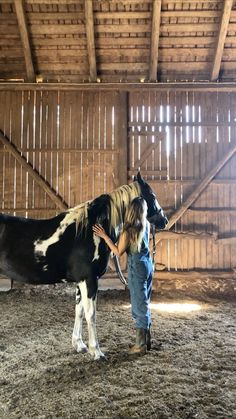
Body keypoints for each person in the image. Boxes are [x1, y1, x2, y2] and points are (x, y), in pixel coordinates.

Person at [92, 196, 153, 355]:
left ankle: (140, 345)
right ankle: (147, 340)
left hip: (137, 268)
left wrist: (105, 236)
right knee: (144, 301)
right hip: (147, 265)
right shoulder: (146, 225)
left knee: (139, 305)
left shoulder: (129, 230)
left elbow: (118, 252)